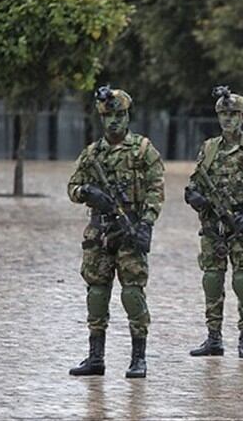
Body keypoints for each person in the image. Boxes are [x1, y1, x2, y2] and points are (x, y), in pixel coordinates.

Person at [67, 85, 164, 378]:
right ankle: (95, 357)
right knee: (96, 294)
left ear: (127, 116)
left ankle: (138, 358)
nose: (114, 121)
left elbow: (156, 190)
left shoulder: (143, 150)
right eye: (109, 116)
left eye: (119, 115)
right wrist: (87, 192)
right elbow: (72, 188)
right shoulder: (92, 154)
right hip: (99, 233)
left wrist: (146, 223)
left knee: (132, 294)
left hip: (130, 231)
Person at [185, 86, 243, 359]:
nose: (228, 119)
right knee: (212, 279)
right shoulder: (209, 148)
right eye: (224, 114)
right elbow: (195, 182)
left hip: (240, 225)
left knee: (242, 281)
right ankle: (213, 338)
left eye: (234, 114)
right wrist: (195, 197)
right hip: (213, 226)